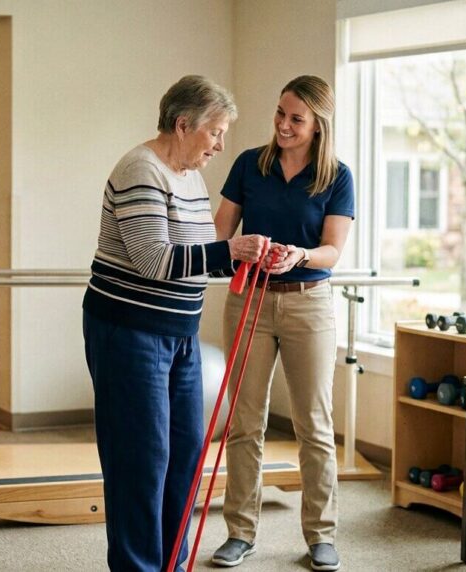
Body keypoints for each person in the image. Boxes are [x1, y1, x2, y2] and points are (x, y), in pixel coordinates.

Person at [82, 75, 268, 571]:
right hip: (129, 332)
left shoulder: (191, 175)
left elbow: (197, 257)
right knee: (140, 463)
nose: (221, 144)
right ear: (183, 125)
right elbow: (151, 259)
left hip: (179, 335)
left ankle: (170, 564)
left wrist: (248, 259)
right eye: (215, 132)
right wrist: (227, 248)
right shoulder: (141, 169)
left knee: (185, 457)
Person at [210, 76, 355, 571]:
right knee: (245, 423)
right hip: (249, 301)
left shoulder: (337, 176)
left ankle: (321, 536)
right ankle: (240, 533)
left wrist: (301, 255)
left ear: (318, 125)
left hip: (308, 303)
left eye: (296, 118)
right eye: (279, 113)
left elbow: (333, 250)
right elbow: (219, 231)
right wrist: (237, 249)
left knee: (314, 424)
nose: (284, 125)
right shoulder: (250, 163)